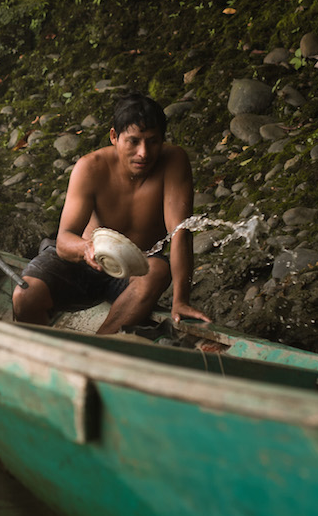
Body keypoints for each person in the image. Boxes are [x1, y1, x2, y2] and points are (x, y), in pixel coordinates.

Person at [12, 89, 210, 334]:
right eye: (134, 141)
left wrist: (181, 299)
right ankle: (41, 357)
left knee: (158, 269)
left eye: (152, 141)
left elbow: (180, 233)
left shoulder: (173, 161)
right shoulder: (91, 167)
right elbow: (64, 241)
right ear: (114, 137)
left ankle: (100, 346)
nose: (144, 153)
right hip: (84, 262)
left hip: (135, 268)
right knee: (25, 295)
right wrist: (86, 249)